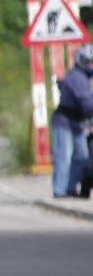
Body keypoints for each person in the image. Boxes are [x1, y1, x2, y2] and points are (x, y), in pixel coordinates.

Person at [50, 44, 93, 198]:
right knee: (64, 156)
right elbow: (87, 103)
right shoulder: (77, 77)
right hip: (64, 122)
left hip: (78, 123)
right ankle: (60, 190)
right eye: (90, 62)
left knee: (82, 156)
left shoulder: (84, 77)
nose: (91, 65)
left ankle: (70, 187)